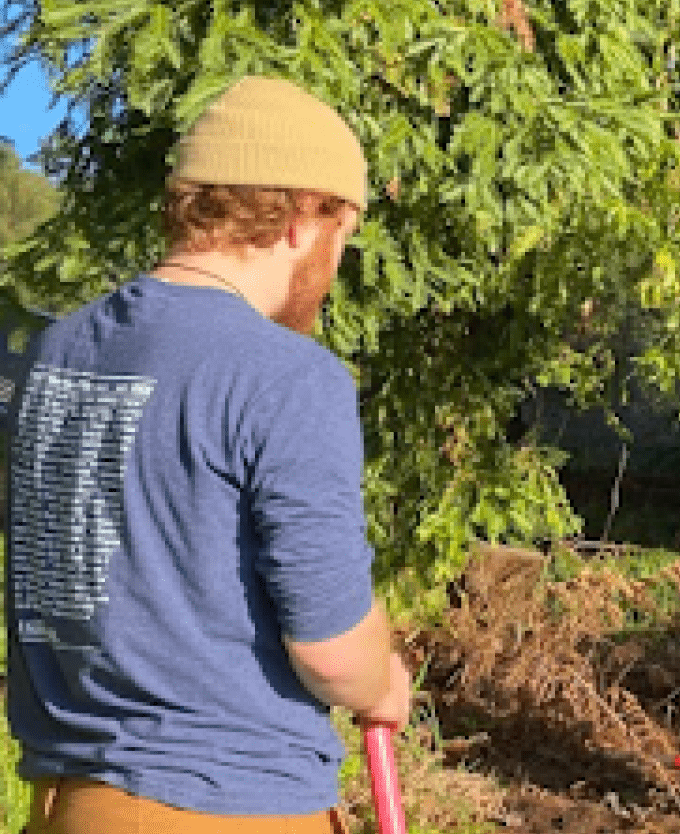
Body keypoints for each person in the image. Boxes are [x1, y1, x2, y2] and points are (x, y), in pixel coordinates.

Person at [2, 76, 412, 834]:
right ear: (300, 216)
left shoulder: (58, 352)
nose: (335, 265)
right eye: (341, 235)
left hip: (65, 806)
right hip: (227, 803)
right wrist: (379, 680)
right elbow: (330, 651)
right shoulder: (286, 374)